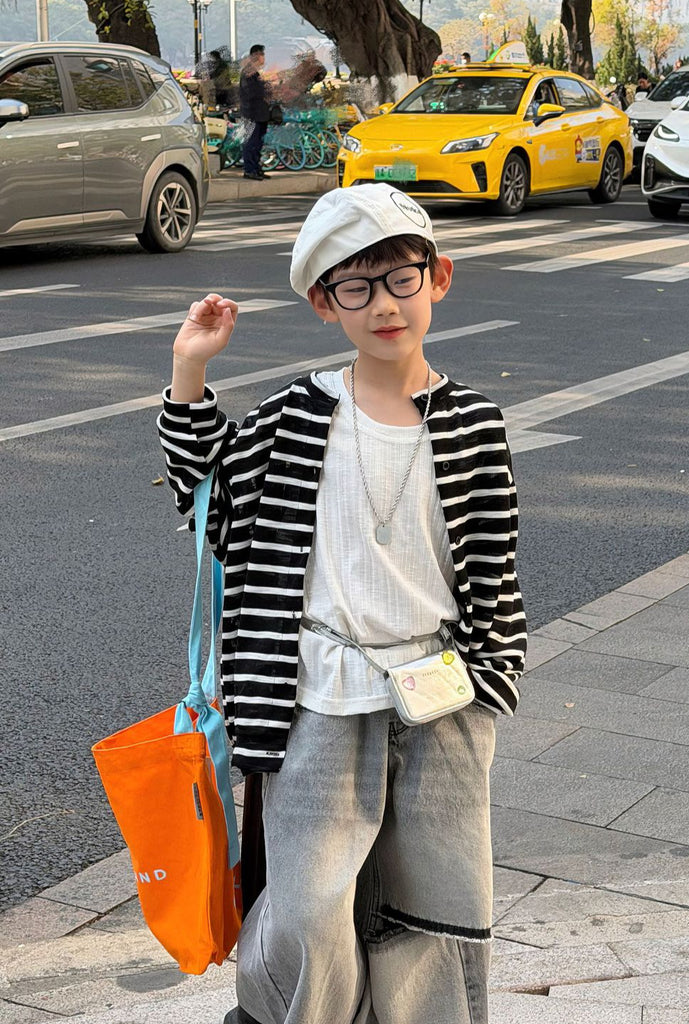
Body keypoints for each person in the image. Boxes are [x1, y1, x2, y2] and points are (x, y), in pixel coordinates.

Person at [157, 183, 527, 1024]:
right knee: (311, 908)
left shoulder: (474, 423)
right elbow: (208, 497)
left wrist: (494, 675)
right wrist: (191, 369)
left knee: (436, 908)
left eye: (400, 278)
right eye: (354, 287)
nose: (384, 305)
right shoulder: (297, 415)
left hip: (442, 697)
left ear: (439, 278)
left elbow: (495, 564)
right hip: (318, 693)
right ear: (326, 305)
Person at [239, 43, 271, 180]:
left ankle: (256, 168)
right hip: (252, 113)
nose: (264, 58)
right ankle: (249, 169)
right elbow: (251, 92)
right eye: (262, 54)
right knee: (251, 142)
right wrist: (265, 90)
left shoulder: (255, 72)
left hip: (261, 113)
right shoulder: (248, 72)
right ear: (256, 55)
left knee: (258, 143)